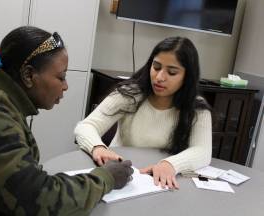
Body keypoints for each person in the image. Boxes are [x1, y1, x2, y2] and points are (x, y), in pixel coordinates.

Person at [0, 26, 133, 216]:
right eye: (61, 77)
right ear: (28, 75)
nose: (65, 86)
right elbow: (42, 200)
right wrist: (106, 177)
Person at [75, 36, 212, 190]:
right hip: (120, 175)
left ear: (187, 77)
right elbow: (85, 126)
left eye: (172, 72)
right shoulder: (129, 94)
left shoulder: (197, 108)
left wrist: (170, 164)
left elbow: (203, 151)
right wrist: (97, 147)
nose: (159, 77)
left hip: (160, 181)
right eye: (156, 67)